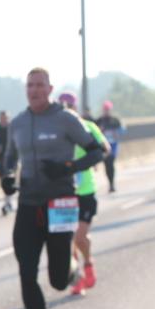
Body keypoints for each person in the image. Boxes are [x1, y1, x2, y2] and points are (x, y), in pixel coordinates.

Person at [2, 68, 103, 309]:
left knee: (58, 281)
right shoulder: (19, 123)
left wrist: (69, 167)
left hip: (60, 204)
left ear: (50, 88)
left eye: (39, 85)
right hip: (28, 205)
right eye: (29, 85)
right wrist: (7, 177)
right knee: (25, 271)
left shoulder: (65, 119)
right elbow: (9, 159)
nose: (34, 90)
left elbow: (99, 151)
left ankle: (72, 266)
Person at [57, 93, 111, 296]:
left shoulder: (88, 126)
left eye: (70, 105)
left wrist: (88, 160)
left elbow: (105, 148)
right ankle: (77, 276)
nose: (67, 108)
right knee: (67, 239)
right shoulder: (56, 129)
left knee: (80, 237)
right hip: (63, 192)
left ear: (75, 106)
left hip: (86, 190)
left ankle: (88, 263)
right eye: (63, 105)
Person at [95, 101, 124, 193]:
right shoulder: (99, 121)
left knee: (110, 162)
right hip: (103, 146)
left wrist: (117, 133)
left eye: (108, 109)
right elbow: (94, 133)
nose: (106, 111)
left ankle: (112, 184)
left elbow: (122, 131)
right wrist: (100, 131)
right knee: (107, 165)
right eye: (105, 109)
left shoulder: (115, 120)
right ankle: (110, 183)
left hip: (113, 145)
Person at [0, 111, 14, 216]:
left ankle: (8, 202)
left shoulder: (12, 128)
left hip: (11, 159)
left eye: (5, 118)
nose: (4, 119)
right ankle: (8, 201)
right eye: (2, 118)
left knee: (9, 180)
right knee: (3, 181)